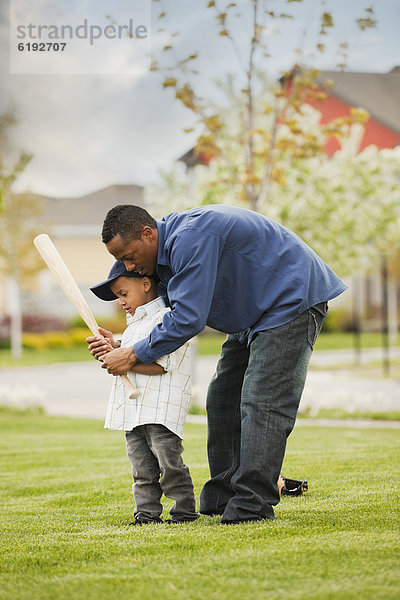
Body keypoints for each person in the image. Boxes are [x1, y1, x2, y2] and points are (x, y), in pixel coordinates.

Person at [87, 204, 347, 525]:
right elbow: (162, 318)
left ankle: (253, 503)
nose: (129, 265)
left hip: (290, 297)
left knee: (262, 401)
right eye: (121, 260)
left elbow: (188, 319)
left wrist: (130, 356)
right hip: (252, 314)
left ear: (147, 233)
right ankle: (224, 495)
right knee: (222, 396)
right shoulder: (161, 261)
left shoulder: (190, 238)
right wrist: (120, 345)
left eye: (129, 255)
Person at [89, 260, 199, 525]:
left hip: (160, 410)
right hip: (134, 412)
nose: (120, 302)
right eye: (118, 297)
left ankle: (184, 511)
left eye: (123, 294)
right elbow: (128, 356)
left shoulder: (167, 321)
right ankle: (146, 515)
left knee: (169, 465)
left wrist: (123, 360)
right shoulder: (132, 327)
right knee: (141, 469)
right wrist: (113, 348)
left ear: (146, 284)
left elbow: (161, 366)